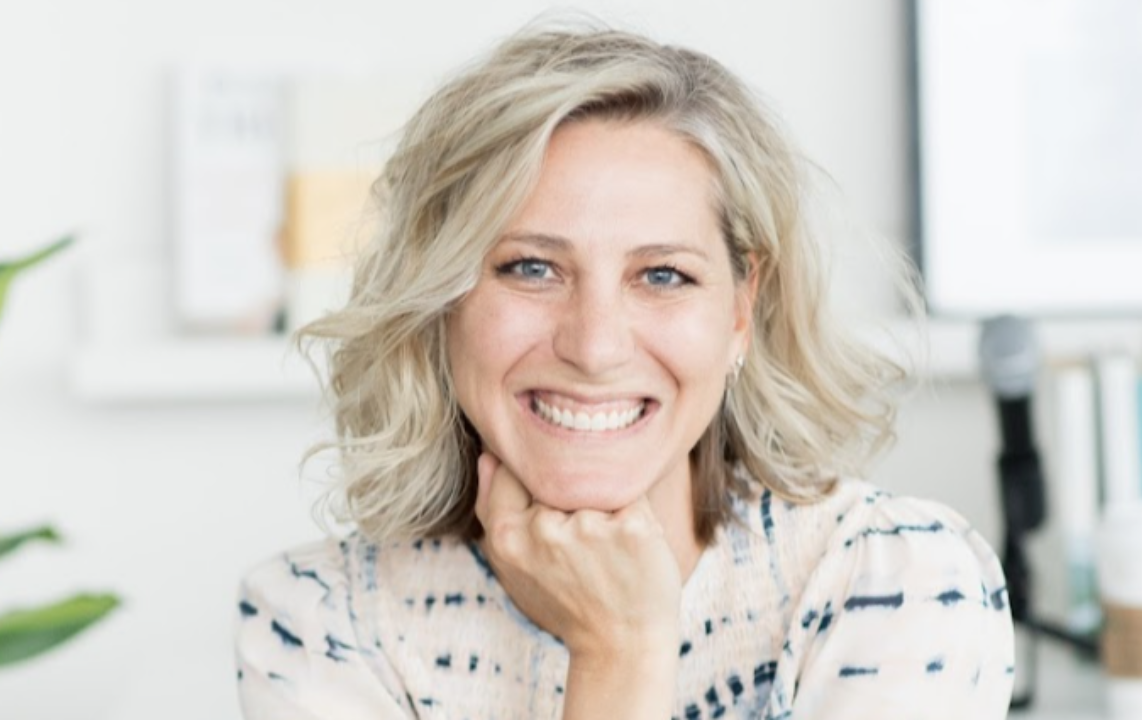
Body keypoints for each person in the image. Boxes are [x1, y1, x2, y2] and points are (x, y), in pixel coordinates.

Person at [234, 21, 1015, 720]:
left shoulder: (893, 581)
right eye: (532, 268)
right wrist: (621, 656)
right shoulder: (324, 622)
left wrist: (623, 647)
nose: (596, 345)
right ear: (442, 301)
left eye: (663, 275)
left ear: (741, 310)